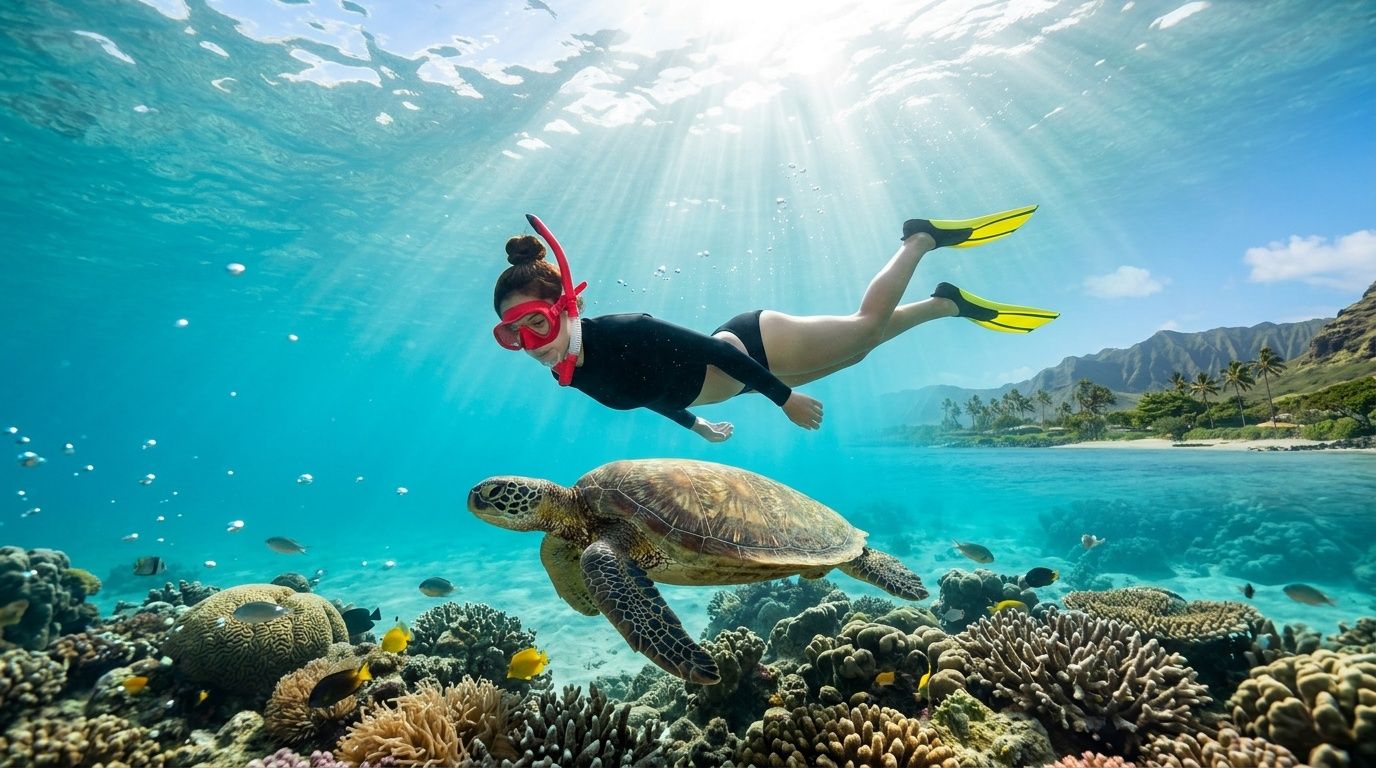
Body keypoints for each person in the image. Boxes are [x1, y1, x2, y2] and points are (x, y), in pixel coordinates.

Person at [492, 206, 1058, 442]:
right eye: (510, 335)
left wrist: (782, 397)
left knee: (864, 328)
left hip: (754, 344)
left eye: (534, 324)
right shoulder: (572, 372)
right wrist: (698, 427)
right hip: (746, 378)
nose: (527, 345)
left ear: (567, 307)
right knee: (861, 349)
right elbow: (647, 394)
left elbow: (711, 354)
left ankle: (919, 238)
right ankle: (945, 304)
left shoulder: (623, 328)